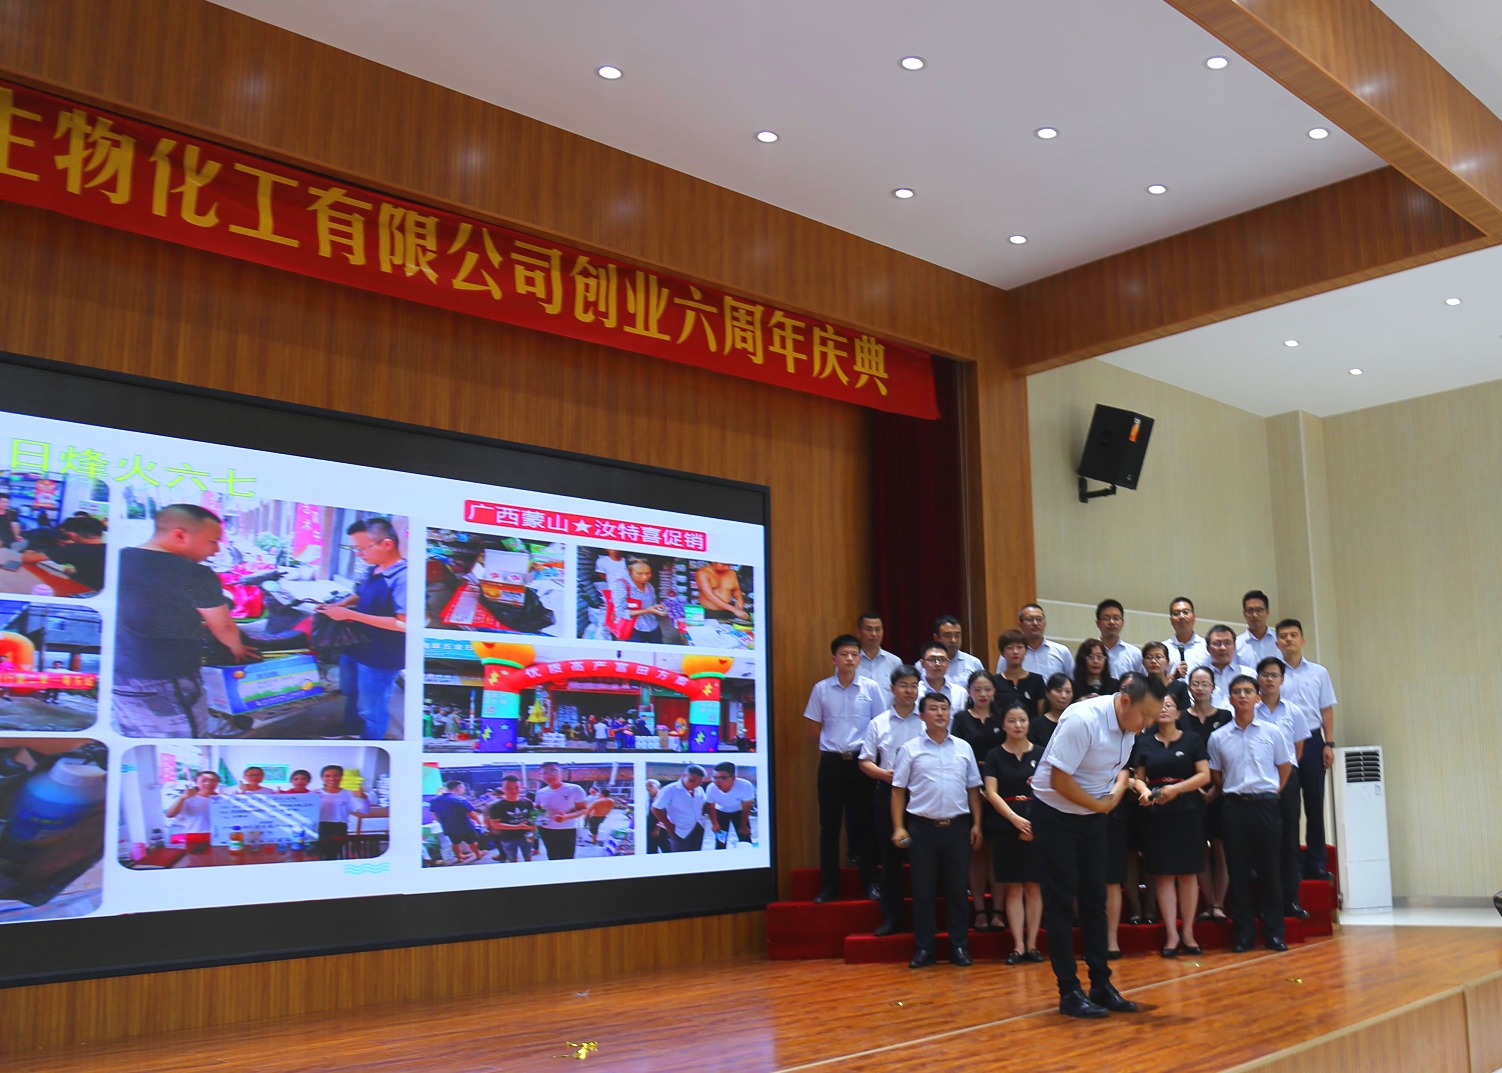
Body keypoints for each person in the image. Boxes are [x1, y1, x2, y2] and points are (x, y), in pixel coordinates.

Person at [1031, 674, 1167, 1018]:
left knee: (1096, 899)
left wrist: (1117, 793)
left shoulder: (1130, 726)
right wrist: (1101, 806)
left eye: (1154, 717)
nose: (1148, 724)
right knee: (1061, 902)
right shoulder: (1083, 719)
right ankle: (1069, 991)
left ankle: (1101, 985)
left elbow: (1120, 770)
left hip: (1092, 816)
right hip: (1056, 815)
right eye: (1145, 715)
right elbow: (1058, 780)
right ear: (1125, 700)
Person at [113, 504, 260, 738]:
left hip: (119, 674)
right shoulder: (195, 573)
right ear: (180, 535)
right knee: (184, 742)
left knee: (138, 735)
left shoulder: (117, 559)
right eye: (213, 541)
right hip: (166, 677)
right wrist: (237, 648)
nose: (216, 550)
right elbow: (223, 626)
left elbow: (145, 613)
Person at [889, 693, 982, 969]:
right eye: (933, 709)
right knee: (923, 891)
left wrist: (977, 823)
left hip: (957, 827)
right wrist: (899, 827)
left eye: (944, 708)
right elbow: (898, 791)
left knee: (957, 890)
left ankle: (959, 947)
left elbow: (973, 789)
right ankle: (925, 948)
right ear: (922, 715)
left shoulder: (963, 747)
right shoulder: (909, 749)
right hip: (922, 829)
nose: (940, 713)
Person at [1209, 674, 1294, 953]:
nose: (1242, 696)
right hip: (1234, 806)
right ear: (1230, 698)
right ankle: (1243, 935)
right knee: (1238, 871)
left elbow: (1284, 767)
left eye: (1248, 691)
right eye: (1237, 691)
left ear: (1258, 697)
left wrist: (1271, 793)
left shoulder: (1273, 732)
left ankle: (1274, 933)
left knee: (1270, 870)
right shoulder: (1218, 737)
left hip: (1266, 805)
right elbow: (1217, 775)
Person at [803, 634, 883, 902]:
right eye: (844, 654)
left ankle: (871, 882)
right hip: (832, 764)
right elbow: (813, 726)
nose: (850, 659)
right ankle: (829, 886)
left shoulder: (871, 688)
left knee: (866, 825)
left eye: (854, 654)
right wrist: (831, 747)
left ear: (860, 658)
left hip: (862, 764)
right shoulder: (821, 689)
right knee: (829, 826)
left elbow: (880, 725)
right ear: (833, 658)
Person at [1130, 691, 1211, 956]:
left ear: (1178, 712)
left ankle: (1188, 932)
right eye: (1160, 706)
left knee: (1188, 874)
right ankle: (1171, 935)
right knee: (1164, 874)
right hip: (1157, 811)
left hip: (1187, 809)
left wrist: (1178, 789)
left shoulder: (1192, 739)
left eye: (1169, 705)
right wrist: (1143, 791)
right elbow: (1138, 778)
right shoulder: (1143, 742)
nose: (1164, 709)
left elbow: (1204, 775)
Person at [318, 517, 407, 741]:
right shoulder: (374, 569)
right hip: (356, 645)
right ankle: (351, 727)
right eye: (355, 549)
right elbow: (361, 593)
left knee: (372, 707)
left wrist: (350, 615)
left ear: (387, 544)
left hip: (381, 655)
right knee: (351, 691)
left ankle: (371, 743)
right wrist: (340, 605)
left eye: (362, 548)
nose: (358, 554)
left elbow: (405, 624)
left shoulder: (405, 578)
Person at [858, 664, 925, 936]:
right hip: (888, 793)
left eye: (914, 686)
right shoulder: (879, 723)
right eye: (904, 685)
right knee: (890, 858)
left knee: (924, 858)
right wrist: (883, 774)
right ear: (892, 688)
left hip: (922, 794)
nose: (909, 691)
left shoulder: (927, 720)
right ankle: (892, 916)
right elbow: (864, 761)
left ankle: (924, 919)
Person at [981, 700, 1046, 964]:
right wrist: (1014, 819)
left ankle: (1033, 945)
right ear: (1003, 724)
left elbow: (1050, 790)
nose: (1018, 725)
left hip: (1037, 825)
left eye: (1022, 720)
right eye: (1012, 720)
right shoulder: (994, 755)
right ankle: (1018, 946)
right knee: (1013, 888)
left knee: (1034, 888)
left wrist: (1032, 825)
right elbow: (991, 793)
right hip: (1004, 825)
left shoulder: (1042, 753)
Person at [1275, 618, 1337, 882]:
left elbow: (1326, 710)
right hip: (1283, 743)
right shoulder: (1272, 674)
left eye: (1293, 635)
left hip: (1312, 741)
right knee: (1288, 808)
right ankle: (1291, 865)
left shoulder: (1319, 672)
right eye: (1283, 636)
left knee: (1314, 804)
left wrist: (1328, 743)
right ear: (1277, 643)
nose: (1289, 639)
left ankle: (1317, 862)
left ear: (1302, 640)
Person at [1254, 656, 1312, 920]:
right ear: (1258, 678)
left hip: (1287, 780)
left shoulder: (1294, 711)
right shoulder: (1250, 710)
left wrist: (1284, 776)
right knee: (1264, 843)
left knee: (1289, 840)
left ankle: (1291, 900)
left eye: (1274, 675)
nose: (1269, 679)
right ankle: (1266, 903)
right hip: (1259, 782)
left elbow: (1297, 751)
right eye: (1265, 674)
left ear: (1282, 680)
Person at [951, 670, 1007, 932]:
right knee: (976, 851)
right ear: (969, 691)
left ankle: (999, 911)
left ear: (994, 691)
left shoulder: (1001, 717)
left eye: (987, 689)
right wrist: (975, 787)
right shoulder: (961, 719)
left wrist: (993, 787)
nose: (983, 694)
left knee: (998, 854)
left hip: (1001, 789)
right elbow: (956, 754)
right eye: (977, 689)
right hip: (970, 788)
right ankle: (980, 911)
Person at [1183, 666, 1232, 922]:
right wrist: (1197, 787)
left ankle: (1219, 904)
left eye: (1205, 683)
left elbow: (1230, 756)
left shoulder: (1225, 717)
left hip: (1221, 790)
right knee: (1200, 850)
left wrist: (1215, 789)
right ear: (1189, 687)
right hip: (1191, 792)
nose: (1200, 688)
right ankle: (1208, 903)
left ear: (1213, 687)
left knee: (1221, 849)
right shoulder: (1181, 717)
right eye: (1195, 683)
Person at [22, 515, 107, 591]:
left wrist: (29, 551)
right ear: (101, 535)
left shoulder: (75, 549)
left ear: (73, 535)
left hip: (82, 592)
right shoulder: (110, 550)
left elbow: (28, 558)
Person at [533, 762, 589, 859]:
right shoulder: (540, 792)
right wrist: (532, 829)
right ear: (541, 776)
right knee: (551, 855)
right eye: (545, 773)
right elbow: (538, 811)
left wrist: (566, 817)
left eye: (553, 771)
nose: (549, 775)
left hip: (566, 830)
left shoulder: (575, 789)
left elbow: (584, 809)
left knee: (567, 857)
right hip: (546, 830)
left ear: (561, 772)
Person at [315, 764, 367, 861]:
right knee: (317, 854)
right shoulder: (314, 793)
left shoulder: (348, 793)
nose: (332, 779)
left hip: (339, 827)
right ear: (322, 778)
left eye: (336, 775)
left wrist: (363, 797)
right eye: (327, 776)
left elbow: (364, 811)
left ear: (341, 777)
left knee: (333, 855)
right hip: (318, 827)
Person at [652, 765, 709, 852]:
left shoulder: (699, 789)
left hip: (698, 826)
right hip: (679, 829)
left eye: (699, 782)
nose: (695, 784)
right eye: (692, 781)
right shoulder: (670, 790)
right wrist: (668, 825)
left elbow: (704, 804)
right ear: (683, 776)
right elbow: (655, 808)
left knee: (695, 854)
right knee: (680, 855)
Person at [611, 558, 667, 644]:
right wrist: (647, 610)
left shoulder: (649, 586)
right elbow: (620, 612)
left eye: (648, 573)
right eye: (639, 574)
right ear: (629, 571)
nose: (645, 577)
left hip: (652, 625)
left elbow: (652, 604)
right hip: (633, 628)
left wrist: (658, 608)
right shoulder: (621, 585)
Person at [1011, 604, 1073, 679]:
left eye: (1039, 619)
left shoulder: (1062, 652)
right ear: (1020, 625)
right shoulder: (1011, 654)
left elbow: (1073, 681)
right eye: (1030, 619)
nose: (1035, 623)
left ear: (1045, 624)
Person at [994, 630, 1048, 717]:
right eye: (1010, 648)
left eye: (1019, 647)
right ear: (1002, 653)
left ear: (1026, 651)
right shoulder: (995, 682)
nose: (1015, 652)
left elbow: (1041, 715)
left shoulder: (1037, 680)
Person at [855, 612, 903, 710]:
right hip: (858, 717)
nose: (874, 634)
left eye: (878, 629)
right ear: (858, 632)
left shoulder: (895, 662)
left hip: (887, 717)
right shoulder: (850, 662)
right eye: (869, 629)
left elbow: (901, 693)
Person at [164, 770, 221, 850]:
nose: (208, 783)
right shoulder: (189, 798)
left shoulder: (223, 799)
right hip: (195, 835)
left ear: (217, 782)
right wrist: (182, 798)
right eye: (204, 781)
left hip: (219, 836)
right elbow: (169, 814)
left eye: (213, 780)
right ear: (197, 782)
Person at [430, 780, 484, 863]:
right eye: (463, 788)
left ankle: (459, 857)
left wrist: (443, 822)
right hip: (464, 826)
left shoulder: (434, 800)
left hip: (448, 827)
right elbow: (471, 813)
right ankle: (478, 854)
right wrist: (479, 823)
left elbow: (434, 815)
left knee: (455, 843)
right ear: (459, 788)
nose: (464, 790)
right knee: (472, 842)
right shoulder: (459, 799)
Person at [706, 762, 755, 849]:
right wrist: (715, 824)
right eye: (715, 777)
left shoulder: (745, 785)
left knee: (745, 837)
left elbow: (746, 807)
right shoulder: (711, 788)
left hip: (739, 811)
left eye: (723, 778)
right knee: (720, 841)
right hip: (721, 811)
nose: (717, 781)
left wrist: (743, 826)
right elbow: (710, 807)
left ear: (733, 778)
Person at [914, 642, 968, 721]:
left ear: (948, 663)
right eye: (932, 659)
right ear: (922, 664)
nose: (937, 664)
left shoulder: (960, 693)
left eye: (942, 660)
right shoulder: (915, 692)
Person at [487, 774, 535, 862]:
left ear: (520, 787)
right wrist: (517, 827)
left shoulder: (527, 802)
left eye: (516, 787)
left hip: (526, 836)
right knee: (512, 859)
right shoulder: (496, 806)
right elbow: (495, 824)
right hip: (508, 838)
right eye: (508, 788)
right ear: (502, 788)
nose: (513, 790)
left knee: (528, 857)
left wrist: (533, 831)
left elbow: (534, 817)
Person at [1204, 624, 1254, 707]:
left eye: (1227, 643)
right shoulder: (1200, 677)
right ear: (1207, 648)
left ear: (1234, 646)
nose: (1223, 648)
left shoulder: (1249, 674)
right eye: (1217, 643)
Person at [1162, 597, 1209, 682]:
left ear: (1194, 617)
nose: (1181, 616)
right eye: (1176, 613)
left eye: (1186, 612)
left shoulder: (1207, 646)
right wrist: (1173, 676)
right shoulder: (1163, 649)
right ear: (1171, 620)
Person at [1096, 599, 1145, 679]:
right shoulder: (1089, 652)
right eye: (1106, 618)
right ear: (1098, 623)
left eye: (1116, 618)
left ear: (1122, 623)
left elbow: (1143, 681)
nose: (1112, 622)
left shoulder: (1135, 654)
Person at [931, 615, 983, 689]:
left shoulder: (973, 663)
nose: (953, 640)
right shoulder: (924, 665)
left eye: (957, 635)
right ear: (936, 638)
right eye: (947, 636)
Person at [1236, 590, 1278, 667]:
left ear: (1267, 612)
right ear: (1244, 613)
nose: (1254, 615)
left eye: (1259, 610)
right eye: (1250, 610)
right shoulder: (1237, 644)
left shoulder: (1279, 640)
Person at [1029, 673, 1073, 748]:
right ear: (1047, 693)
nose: (1063, 696)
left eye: (1068, 691)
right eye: (1059, 691)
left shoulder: (1075, 722)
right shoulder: (1035, 725)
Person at [643, 779, 667, 854]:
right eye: (646, 786)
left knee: (666, 849)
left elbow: (665, 815)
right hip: (650, 828)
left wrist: (657, 829)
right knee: (651, 851)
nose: (648, 788)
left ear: (658, 787)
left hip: (661, 830)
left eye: (651, 786)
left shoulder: (663, 798)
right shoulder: (648, 799)